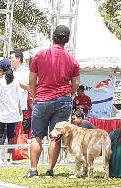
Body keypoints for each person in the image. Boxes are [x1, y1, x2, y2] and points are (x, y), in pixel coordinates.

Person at [27, 25, 79, 178]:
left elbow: (32, 79)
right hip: (63, 100)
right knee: (55, 136)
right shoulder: (72, 60)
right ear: (67, 40)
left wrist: (34, 94)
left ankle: (33, 170)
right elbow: (75, 83)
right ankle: (50, 170)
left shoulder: (40, 55)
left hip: (42, 99)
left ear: (53, 37)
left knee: (37, 136)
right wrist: (71, 93)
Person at [0, 58, 23, 161]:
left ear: (1, 69)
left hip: (2, 113)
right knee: (11, 136)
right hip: (13, 113)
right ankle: (9, 157)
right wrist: (20, 109)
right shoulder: (16, 81)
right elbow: (20, 97)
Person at [8, 50, 31, 136]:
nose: (9, 60)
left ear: (18, 59)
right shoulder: (9, 72)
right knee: (10, 134)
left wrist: (18, 84)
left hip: (21, 108)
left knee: (21, 134)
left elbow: (31, 88)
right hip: (9, 107)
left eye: (11, 58)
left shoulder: (26, 72)